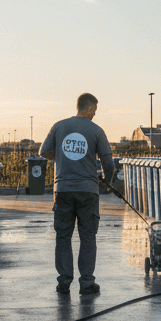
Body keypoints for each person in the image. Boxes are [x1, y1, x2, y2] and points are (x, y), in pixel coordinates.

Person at [40, 92, 115, 296]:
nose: (95, 114)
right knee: (88, 236)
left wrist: (64, 157)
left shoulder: (59, 126)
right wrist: (108, 181)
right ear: (89, 107)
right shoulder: (96, 130)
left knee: (63, 237)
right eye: (95, 110)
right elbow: (108, 161)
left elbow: (43, 152)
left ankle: (64, 283)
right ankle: (86, 284)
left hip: (62, 189)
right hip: (88, 191)